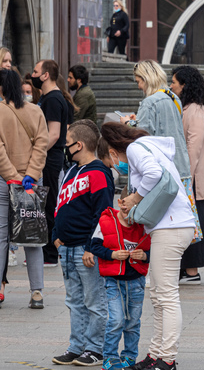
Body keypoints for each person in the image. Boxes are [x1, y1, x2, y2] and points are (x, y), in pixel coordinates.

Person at [98, 122, 195, 370]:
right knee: (158, 295)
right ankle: (155, 354)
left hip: (170, 227)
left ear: (112, 149)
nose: (115, 162)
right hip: (173, 226)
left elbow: (153, 174)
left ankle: (167, 358)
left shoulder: (134, 150)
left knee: (166, 295)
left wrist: (135, 197)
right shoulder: (146, 146)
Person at [50, 121, 114, 366]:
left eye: (67, 144)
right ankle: (77, 346)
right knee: (74, 301)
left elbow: (103, 213)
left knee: (94, 301)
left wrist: (91, 246)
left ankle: (95, 349)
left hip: (85, 250)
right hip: (66, 247)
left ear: (80, 145)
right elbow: (60, 206)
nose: (65, 148)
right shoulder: (71, 171)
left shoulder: (98, 173)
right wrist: (56, 235)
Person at [0, 69, 49, 309]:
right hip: (32, 182)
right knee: (32, 236)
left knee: (1, 237)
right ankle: (37, 292)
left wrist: (12, 176)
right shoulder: (35, 110)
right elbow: (42, 145)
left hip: (3, 181)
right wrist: (30, 175)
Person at [89, 205, 149, 370]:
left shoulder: (145, 224)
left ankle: (129, 356)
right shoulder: (105, 221)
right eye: (125, 210)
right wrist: (112, 254)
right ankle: (109, 357)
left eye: (133, 211)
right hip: (113, 281)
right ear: (121, 203)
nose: (129, 215)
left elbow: (156, 249)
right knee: (116, 320)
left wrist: (144, 256)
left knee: (133, 322)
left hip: (136, 281)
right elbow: (94, 246)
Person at [170, 66, 204, 285]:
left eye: (174, 82)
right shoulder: (186, 106)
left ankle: (192, 270)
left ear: (185, 84)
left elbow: (193, 146)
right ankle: (186, 269)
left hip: (191, 179)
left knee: (193, 222)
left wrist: (183, 177)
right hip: (188, 176)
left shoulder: (195, 109)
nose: (171, 85)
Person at [32, 60, 69, 266]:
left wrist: (35, 153)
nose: (33, 75)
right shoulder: (48, 98)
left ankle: (49, 255)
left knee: (48, 205)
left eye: (36, 72)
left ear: (45, 75)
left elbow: (53, 135)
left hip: (50, 160)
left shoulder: (53, 99)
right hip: (48, 159)